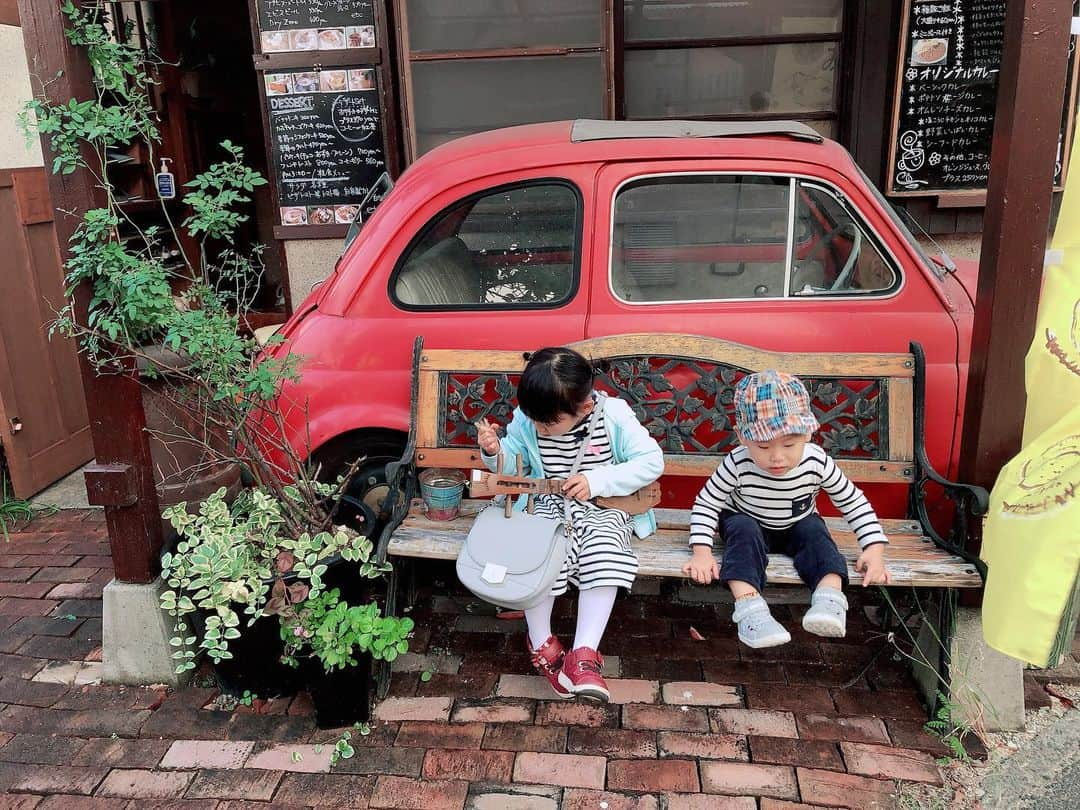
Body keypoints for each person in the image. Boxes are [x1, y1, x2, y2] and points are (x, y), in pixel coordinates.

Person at [475, 347, 664, 702]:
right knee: (537, 555)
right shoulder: (528, 417)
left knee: (605, 554)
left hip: (602, 506)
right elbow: (515, 468)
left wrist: (599, 480)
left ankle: (584, 654)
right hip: (545, 502)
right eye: (534, 421)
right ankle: (541, 638)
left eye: (548, 424)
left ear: (585, 407)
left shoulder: (613, 416)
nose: (538, 429)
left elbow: (651, 461)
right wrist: (494, 451)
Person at [682, 370, 890, 648]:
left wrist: (874, 549)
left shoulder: (816, 462)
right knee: (741, 529)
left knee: (815, 531)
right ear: (742, 438)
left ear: (807, 433)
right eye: (764, 445)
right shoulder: (737, 463)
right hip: (748, 522)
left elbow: (852, 502)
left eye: (789, 444)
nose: (777, 457)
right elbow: (708, 501)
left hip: (795, 524)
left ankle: (829, 600)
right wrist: (702, 552)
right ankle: (750, 609)